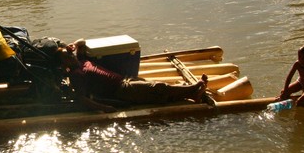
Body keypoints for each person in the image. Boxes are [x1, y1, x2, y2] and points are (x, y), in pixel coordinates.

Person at [58, 39, 207, 111]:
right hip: (121, 90)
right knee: (157, 87)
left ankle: (192, 95)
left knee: (153, 90)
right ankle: (194, 88)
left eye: (70, 53)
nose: (71, 55)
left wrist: (74, 45)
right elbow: (82, 98)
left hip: (124, 80)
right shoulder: (75, 74)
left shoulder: (80, 59)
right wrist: (105, 108)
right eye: (67, 56)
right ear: (64, 63)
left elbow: (83, 41)